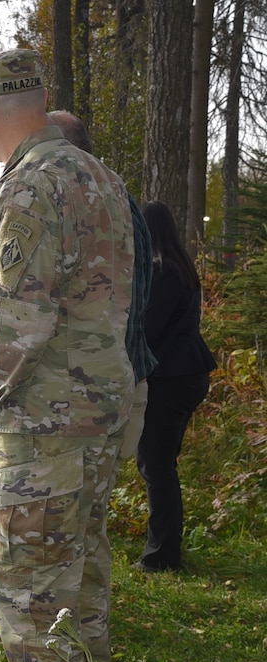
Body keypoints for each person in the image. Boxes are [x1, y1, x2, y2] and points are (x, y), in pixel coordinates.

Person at [0, 49, 135, 662]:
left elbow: (17, 320)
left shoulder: (30, 187)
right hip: (98, 404)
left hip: (47, 416)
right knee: (82, 558)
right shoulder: (100, 175)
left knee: (26, 583)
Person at [47, 110, 158, 462]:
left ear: (67, 150)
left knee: (77, 512)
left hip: (95, 394)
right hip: (113, 384)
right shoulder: (116, 197)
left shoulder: (99, 204)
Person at [135, 201, 216, 572]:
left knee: (156, 464)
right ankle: (164, 548)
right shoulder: (180, 268)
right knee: (158, 463)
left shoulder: (164, 273)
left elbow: (149, 330)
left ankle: (162, 555)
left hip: (174, 378)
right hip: (185, 375)